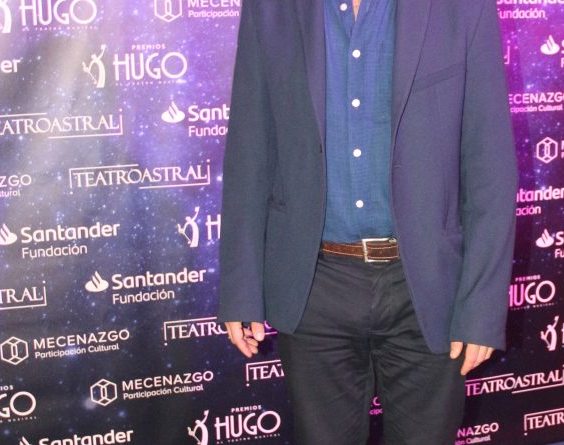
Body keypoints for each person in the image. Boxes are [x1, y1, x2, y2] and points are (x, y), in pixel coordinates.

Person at [218, 0, 518, 443]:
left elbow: (490, 164)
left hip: (428, 289)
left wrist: (482, 308)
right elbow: (250, 149)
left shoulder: (462, 7)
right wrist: (241, 289)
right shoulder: (270, 7)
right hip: (314, 286)